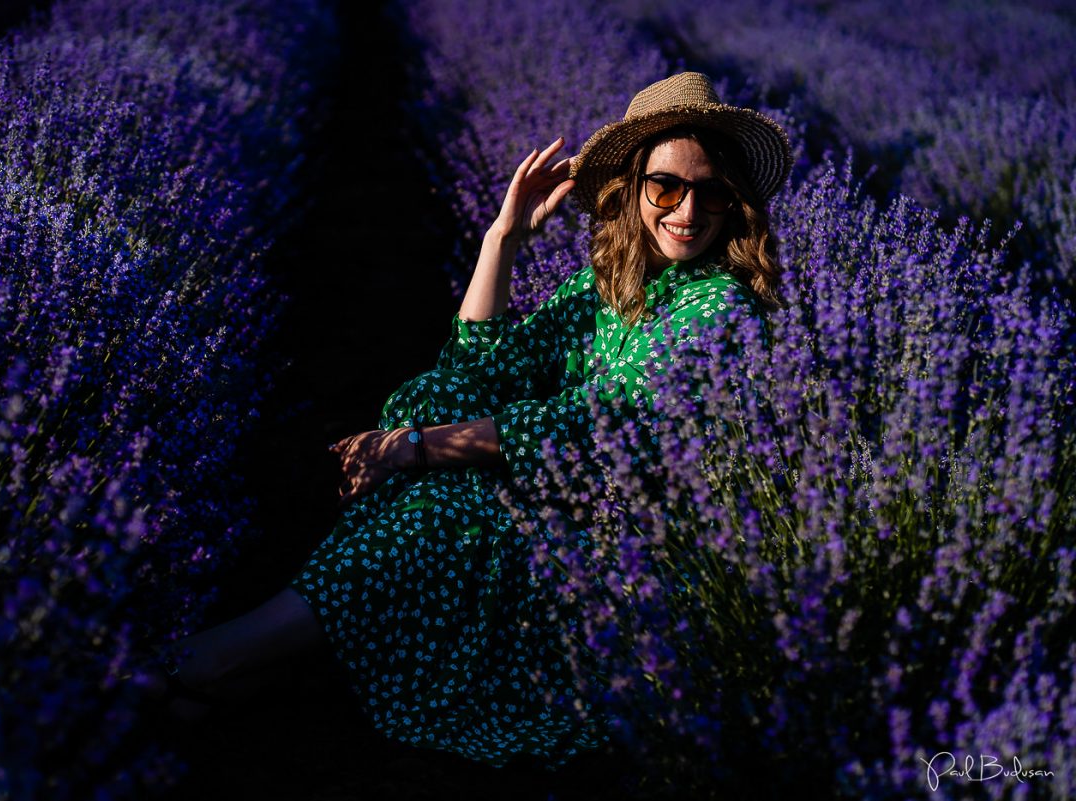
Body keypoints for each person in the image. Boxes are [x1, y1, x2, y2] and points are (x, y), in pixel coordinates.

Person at [141, 71, 793, 769]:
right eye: (667, 187)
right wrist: (502, 238)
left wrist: (411, 450)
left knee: (441, 500)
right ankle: (285, 645)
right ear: (632, 188)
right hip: (566, 495)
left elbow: (595, 426)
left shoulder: (721, 307)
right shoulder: (621, 280)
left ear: (735, 202)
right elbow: (480, 367)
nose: (688, 210)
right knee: (433, 406)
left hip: (629, 542)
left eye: (711, 191)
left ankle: (221, 657)